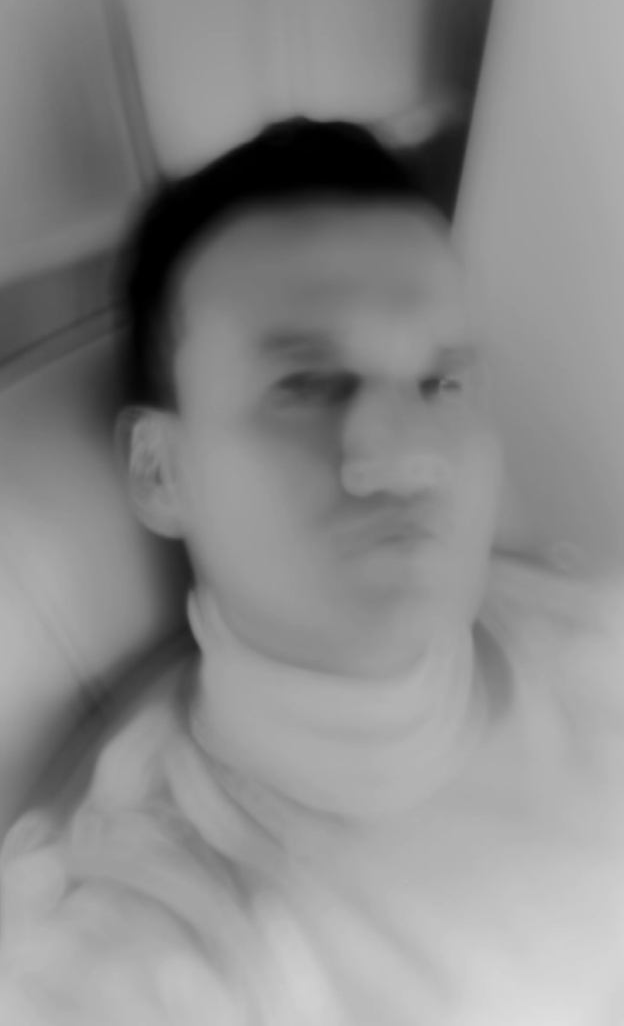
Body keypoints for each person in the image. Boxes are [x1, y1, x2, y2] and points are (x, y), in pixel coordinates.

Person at [2, 117, 624, 1025]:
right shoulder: (131, 939)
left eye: (442, 382)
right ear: (160, 469)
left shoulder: (596, 631)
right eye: (308, 386)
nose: (403, 453)